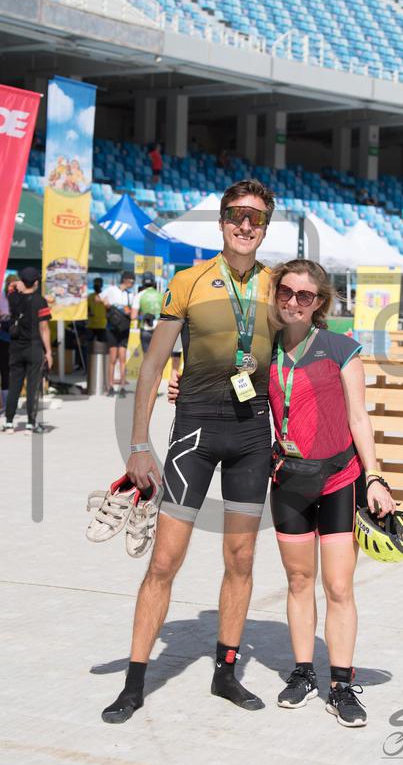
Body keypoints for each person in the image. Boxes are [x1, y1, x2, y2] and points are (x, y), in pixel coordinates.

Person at [100, 179, 276, 724]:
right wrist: (138, 444)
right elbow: (152, 366)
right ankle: (134, 682)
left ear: (265, 228)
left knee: (241, 559)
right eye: (236, 214)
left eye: (256, 217)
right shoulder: (188, 281)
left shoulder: (280, 287)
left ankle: (226, 673)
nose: (245, 224)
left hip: (252, 437)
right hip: (195, 435)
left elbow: (297, 362)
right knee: (164, 561)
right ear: (221, 221)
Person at [267, 260, 396, 727]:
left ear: (319, 302)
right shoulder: (263, 350)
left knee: (338, 586)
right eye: (286, 292)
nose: (293, 302)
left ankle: (341, 685)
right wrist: (182, 388)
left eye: (304, 295)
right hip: (289, 481)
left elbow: (359, 417)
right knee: (299, 581)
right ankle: (303, 672)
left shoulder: (342, 348)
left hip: (340, 478)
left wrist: (375, 477)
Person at [2, 267, 52, 435]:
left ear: (22, 281)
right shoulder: (40, 301)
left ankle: (9, 422)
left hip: (15, 347)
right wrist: (49, 352)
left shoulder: (13, 298)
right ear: (36, 282)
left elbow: (10, 287)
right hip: (34, 347)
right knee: (32, 386)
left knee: (14, 385)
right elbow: (44, 328)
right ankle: (31, 424)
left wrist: (18, 283)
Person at [102, 271, 135, 397]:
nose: (133, 284)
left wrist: (128, 311)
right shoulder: (111, 290)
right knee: (113, 358)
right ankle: (110, 386)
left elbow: (132, 312)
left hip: (124, 328)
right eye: (132, 281)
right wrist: (105, 302)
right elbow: (98, 298)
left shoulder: (130, 295)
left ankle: (122, 386)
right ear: (126, 280)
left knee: (122, 358)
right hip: (112, 328)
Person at [130, 272, 163, 355]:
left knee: (147, 357)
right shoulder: (161, 295)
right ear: (154, 282)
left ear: (143, 282)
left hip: (145, 328)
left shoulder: (139, 295)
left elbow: (133, 316)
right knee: (158, 357)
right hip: (159, 328)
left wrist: (143, 316)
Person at [0, 275, 19, 415]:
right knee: (4, 370)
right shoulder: (2, 297)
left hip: (16, 339)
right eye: (10, 285)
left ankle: (9, 404)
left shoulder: (22, 298)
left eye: (14, 285)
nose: (11, 288)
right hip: (3, 338)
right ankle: (5, 404)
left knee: (12, 371)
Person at [87, 277, 107, 342]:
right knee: (89, 343)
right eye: (95, 284)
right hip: (91, 324)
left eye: (98, 284)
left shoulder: (105, 296)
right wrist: (89, 313)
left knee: (102, 344)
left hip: (102, 324)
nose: (96, 285)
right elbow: (87, 308)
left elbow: (109, 308)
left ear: (101, 285)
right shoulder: (90, 296)